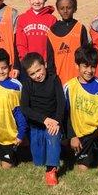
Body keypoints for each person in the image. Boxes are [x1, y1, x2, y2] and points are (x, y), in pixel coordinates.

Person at [64, 45, 98, 180]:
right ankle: (92, 151)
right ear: (77, 66)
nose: (89, 70)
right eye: (85, 66)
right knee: (83, 169)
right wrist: (72, 136)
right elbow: (65, 115)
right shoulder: (69, 87)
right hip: (81, 132)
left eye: (93, 67)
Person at [20, 52, 64, 186]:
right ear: (28, 75)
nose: (37, 75)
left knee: (53, 139)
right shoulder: (27, 84)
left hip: (53, 123)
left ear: (44, 64)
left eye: (39, 70)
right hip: (37, 124)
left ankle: (51, 170)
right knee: (38, 160)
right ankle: (46, 157)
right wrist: (44, 119)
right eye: (32, 74)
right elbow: (25, 108)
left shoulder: (54, 79)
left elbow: (61, 102)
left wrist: (56, 121)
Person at [46, 0, 90, 85]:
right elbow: (50, 59)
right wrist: (52, 78)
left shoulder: (80, 28)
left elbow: (85, 55)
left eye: (68, 8)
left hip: (78, 79)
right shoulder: (52, 31)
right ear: (58, 10)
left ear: (74, 9)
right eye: (62, 8)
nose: (65, 11)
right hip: (59, 80)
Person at [15, 0, 56, 64]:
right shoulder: (22, 19)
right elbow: (20, 44)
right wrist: (27, 61)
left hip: (46, 63)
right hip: (28, 64)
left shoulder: (52, 19)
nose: (37, 2)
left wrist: (48, 61)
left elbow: (54, 44)